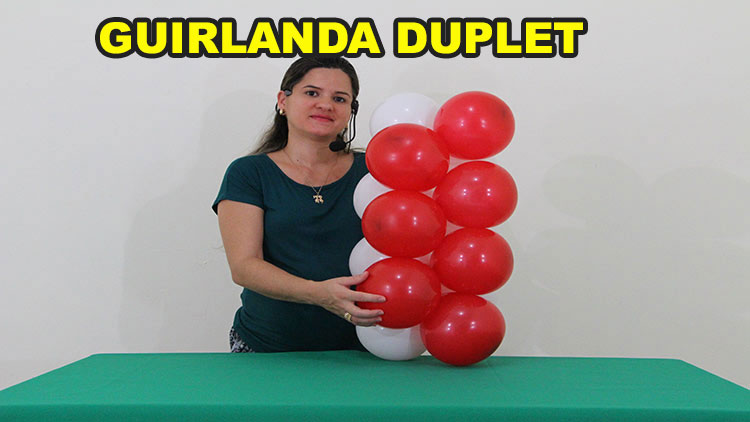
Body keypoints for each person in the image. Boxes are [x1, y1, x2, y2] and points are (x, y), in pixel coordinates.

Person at [212, 57, 386, 353]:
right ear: (283, 101)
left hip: (365, 349)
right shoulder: (249, 173)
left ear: (351, 111)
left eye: (340, 98)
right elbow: (244, 267)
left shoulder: (375, 171)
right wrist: (318, 293)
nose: (326, 105)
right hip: (267, 349)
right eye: (312, 93)